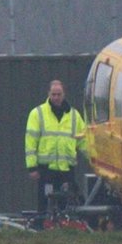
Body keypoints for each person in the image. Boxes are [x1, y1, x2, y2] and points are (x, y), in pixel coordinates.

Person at [25, 79, 90, 215]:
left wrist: (94, 160)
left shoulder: (74, 116)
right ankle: (43, 227)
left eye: (58, 94)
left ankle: (63, 231)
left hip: (66, 169)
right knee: (44, 201)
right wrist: (32, 167)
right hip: (46, 169)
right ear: (48, 94)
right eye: (53, 94)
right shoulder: (37, 114)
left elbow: (84, 142)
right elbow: (30, 142)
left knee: (66, 203)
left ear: (64, 94)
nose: (56, 97)